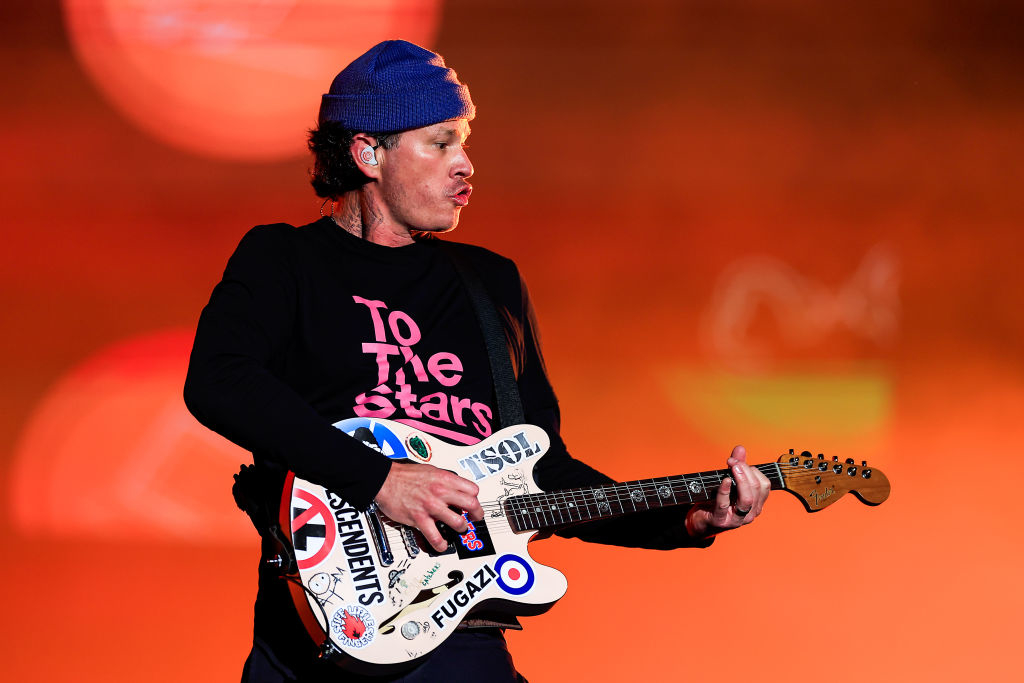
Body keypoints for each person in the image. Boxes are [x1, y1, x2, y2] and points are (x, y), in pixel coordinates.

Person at [184, 40, 770, 683]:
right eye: (440, 143)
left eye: (463, 143)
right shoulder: (284, 260)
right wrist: (382, 480)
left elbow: (544, 472)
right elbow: (219, 380)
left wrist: (685, 518)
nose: (465, 165)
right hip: (321, 625)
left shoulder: (492, 283)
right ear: (368, 153)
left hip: (459, 639)